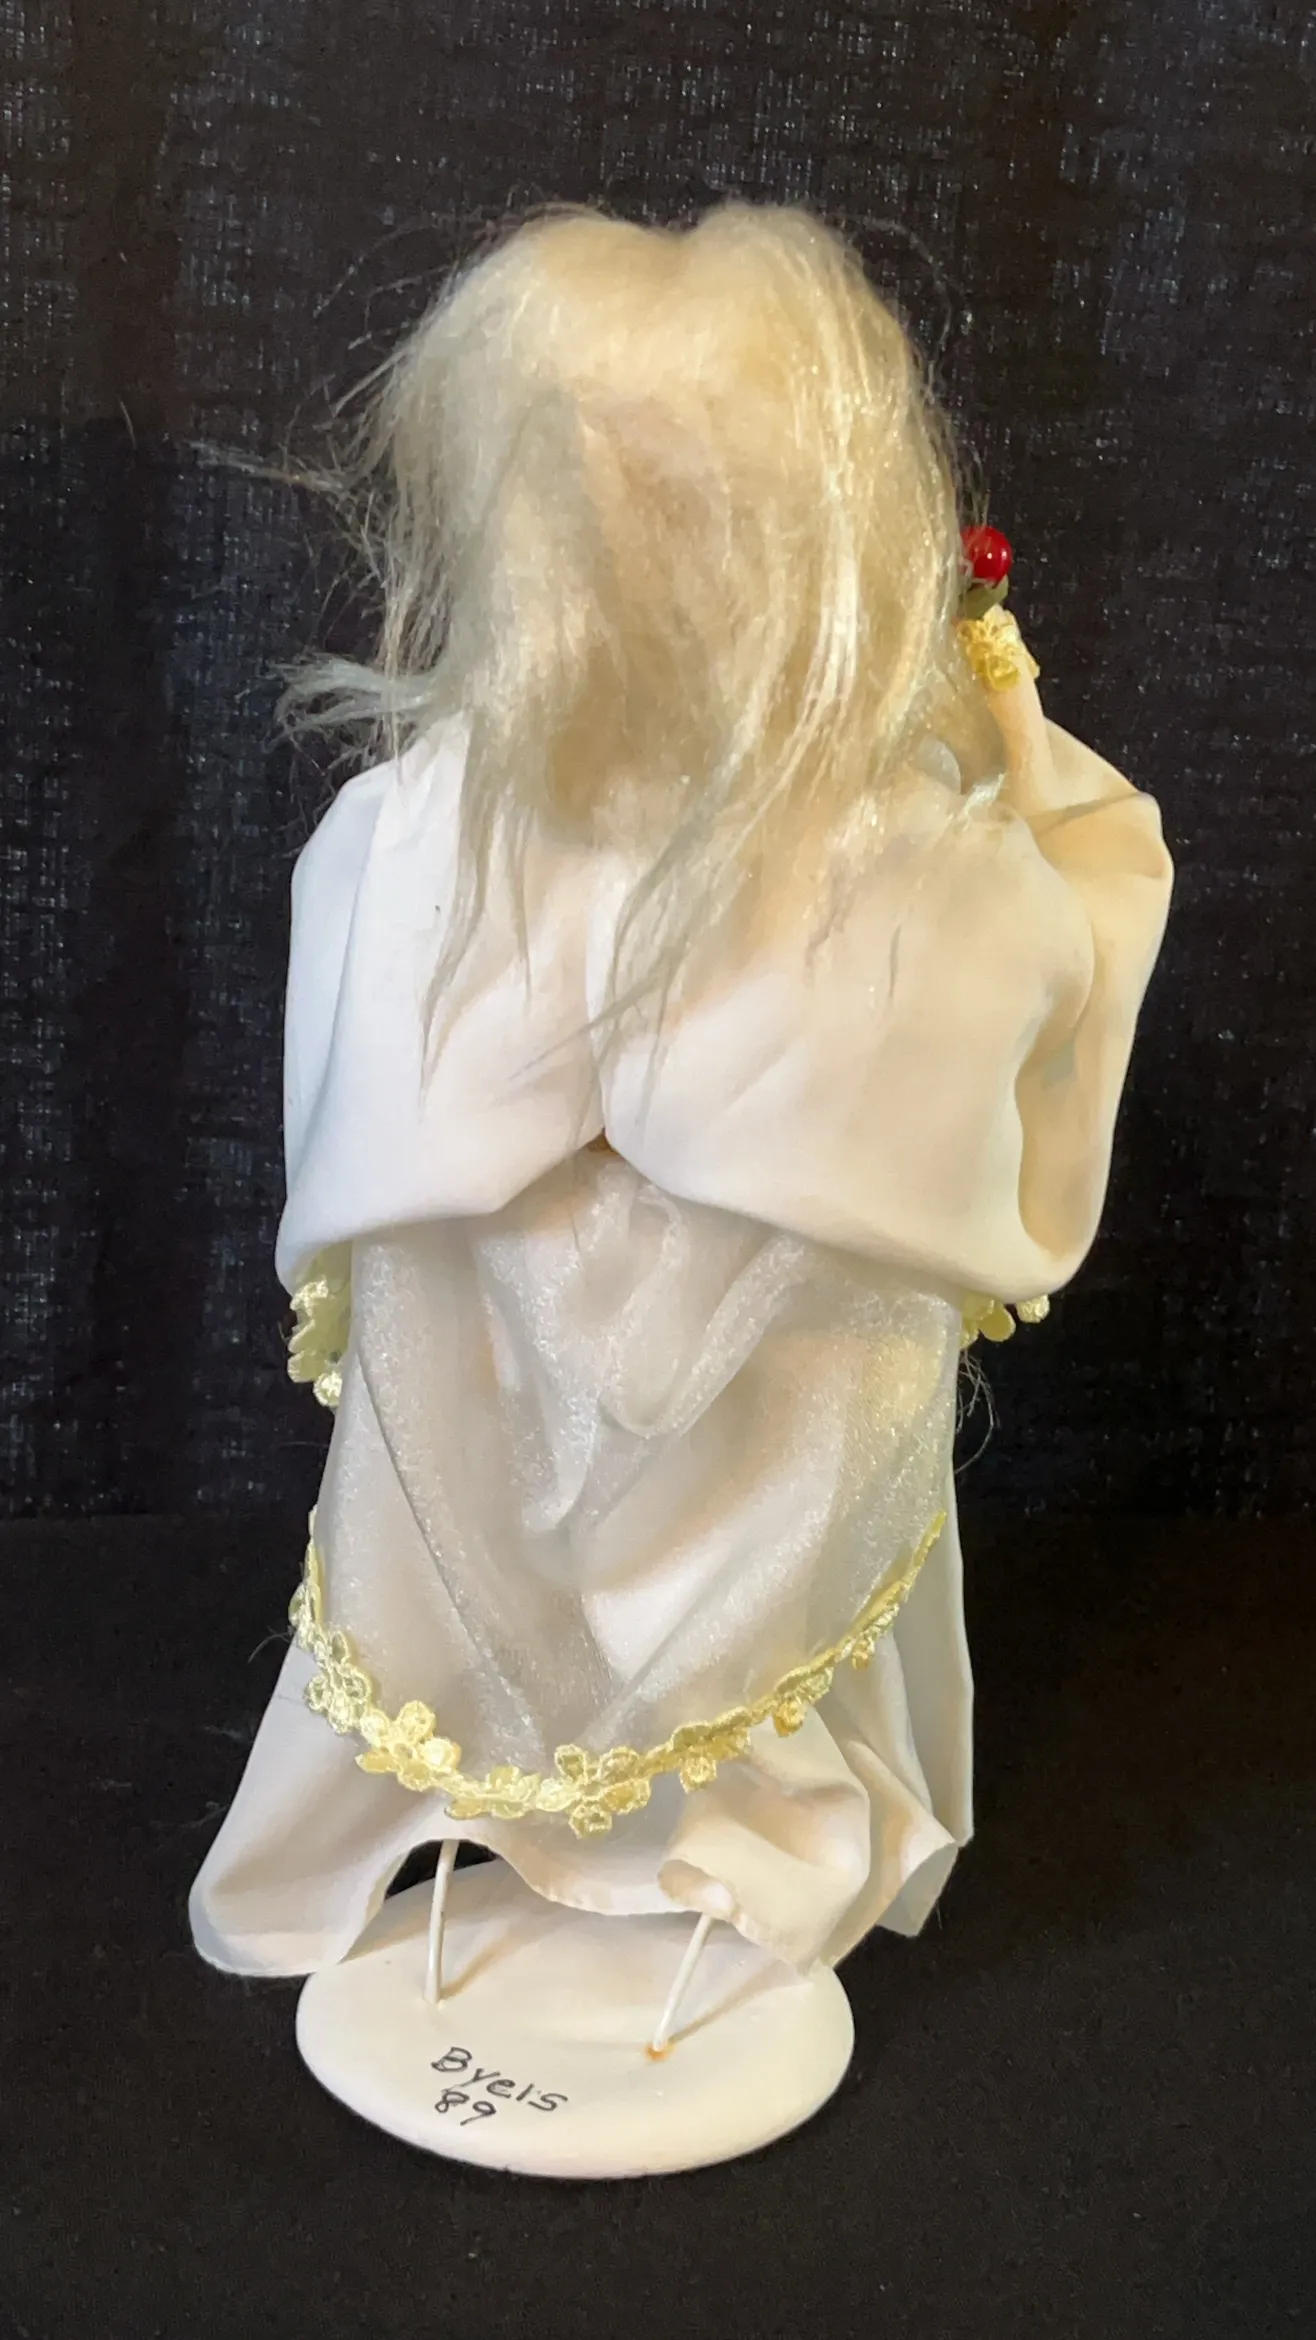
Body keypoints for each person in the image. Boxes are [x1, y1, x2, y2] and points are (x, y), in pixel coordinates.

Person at [190, 202, 1172, 1983]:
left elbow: (358, 1102)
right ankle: (703, 1811)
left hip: (618, 1390)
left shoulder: (421, 831)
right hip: (613, 1393)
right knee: (673, 1535)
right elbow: (1048, 994)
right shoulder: (898, 870)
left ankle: (652, 1808)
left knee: (635, 1534)